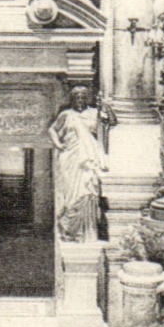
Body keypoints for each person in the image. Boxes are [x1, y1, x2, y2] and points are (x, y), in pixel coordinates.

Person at [49, 86, 115, 242]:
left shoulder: (94, 113)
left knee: (87, 191)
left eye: (83, 97)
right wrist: (58, 144)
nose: (80, 100)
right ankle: (69, 230)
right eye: (77, 97)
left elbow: (112, 121)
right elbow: (52, 130)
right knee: (71, 195)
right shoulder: (66, 115)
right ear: (72, 99)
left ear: (87, 99)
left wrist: (106, 107)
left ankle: (86, 232)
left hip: (88, 159)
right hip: (70, 158)